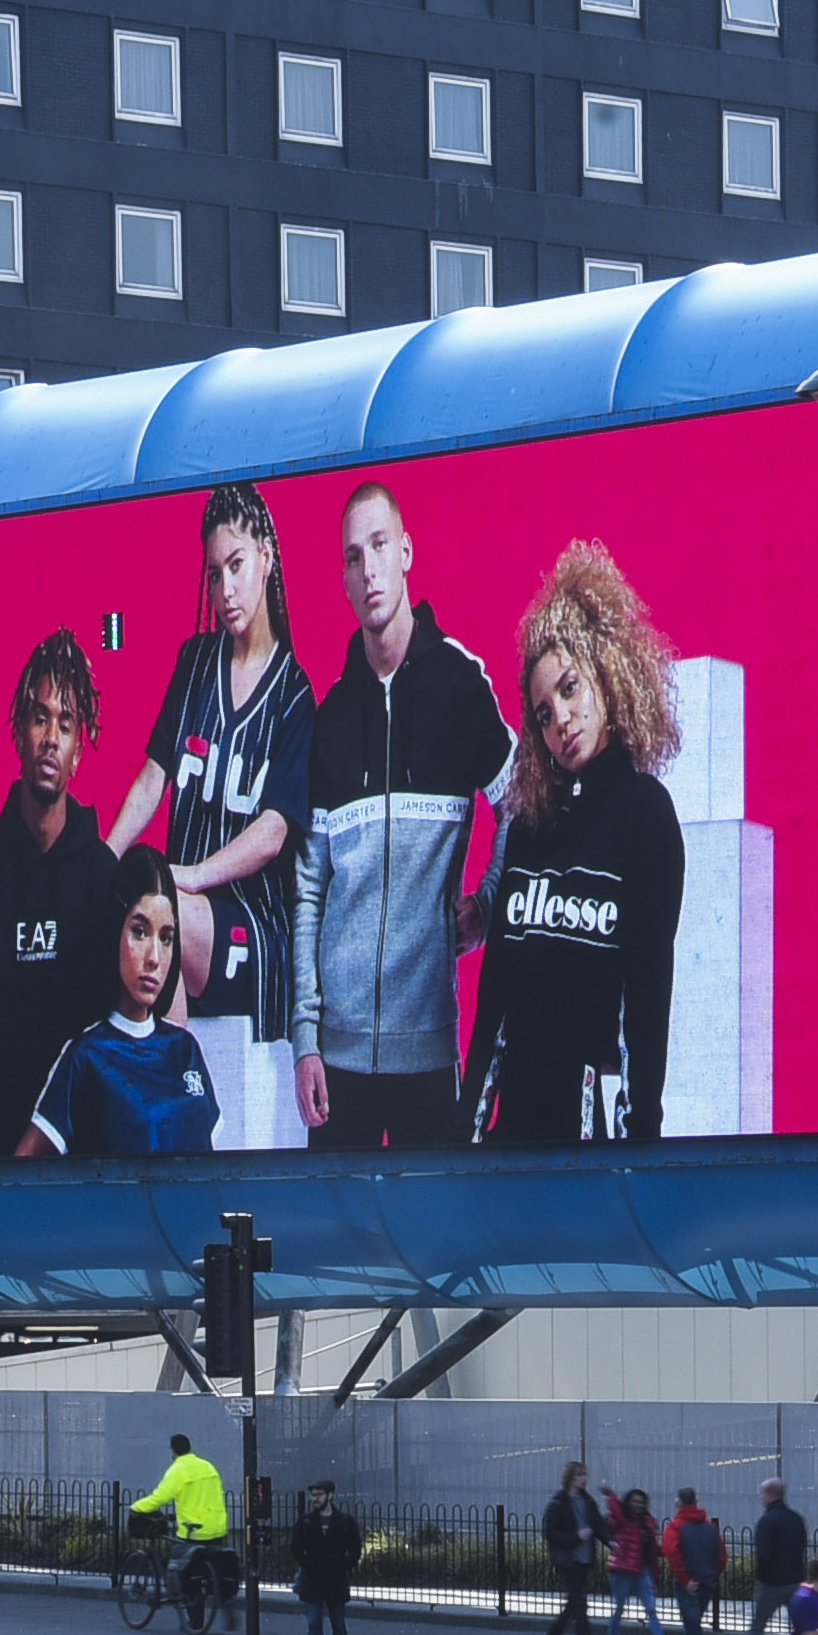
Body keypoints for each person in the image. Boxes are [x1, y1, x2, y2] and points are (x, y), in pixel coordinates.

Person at [290, 478, 510, 1151]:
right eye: (354, 557)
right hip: (337, 1060)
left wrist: (488, 904)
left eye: (380, 546)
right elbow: (309, 889)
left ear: (407, 552)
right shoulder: (331, 718)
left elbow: (522, 805)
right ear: (343, 581)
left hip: (429, 1054)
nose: (369, 569)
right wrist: (305, 1039)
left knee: (434, 1219)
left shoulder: (460, 686)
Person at [109, 481, 314, 1151]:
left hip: (255, 934)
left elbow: (275, 830)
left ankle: (179, 1121)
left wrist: (190, 876)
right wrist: (103, 859)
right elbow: (154, 776)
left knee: (163, 909)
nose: (226, 588)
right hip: (186, 913)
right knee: (129, 907)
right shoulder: (195, 662)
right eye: (214, 572)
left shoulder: (295, 696)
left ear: (267, 557)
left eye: (237, 565)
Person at [468, 542, 689, 1144]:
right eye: (542, 713)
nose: (560, 719)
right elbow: (494, 999)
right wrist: (464, 1136)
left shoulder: (646, 815)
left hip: (590, 1143)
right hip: (510, 1141)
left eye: (569, 689)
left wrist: (641, 1143)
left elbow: (647, 998)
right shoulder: (530, 823)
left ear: (607, 675)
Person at [0, 632, 121, 1163]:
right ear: (19, 732)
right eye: (41, 719)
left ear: (78, 753)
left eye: (66, 724)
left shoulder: (100, 874)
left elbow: (109, 1035)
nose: (51, 739)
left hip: (72, 1140)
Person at [23, 864, 223, 1161]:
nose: (154, 958)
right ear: (115, 931)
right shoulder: (87, 1056)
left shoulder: (186, 1049)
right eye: (140, 932)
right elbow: (20, 1170)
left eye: (166, 938)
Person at [136, 1428, 236, 1632]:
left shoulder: (178, 1470)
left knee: (188, 1573)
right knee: (214, 1565)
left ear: (173, 1451)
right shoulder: (207, 1466)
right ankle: (223, 1599)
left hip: (194, 1531)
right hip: (217, 1527)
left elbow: (159, 1497)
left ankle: (195, 1620)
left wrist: (137, 1508)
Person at [723, 1477, 811, 1635]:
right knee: (801, 1631)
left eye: (762, 1493)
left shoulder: (767, 1521)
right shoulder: (796, 1519)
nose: (760, 1497)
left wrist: (763, 1577)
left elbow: (763, 1555)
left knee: (756, 1629)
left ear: (769, 1495)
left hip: (772, 1583)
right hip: (795, 1580)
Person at [291, 1472, 365, 1635]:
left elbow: (355, 1547)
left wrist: (345, 1566)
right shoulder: (305, 1521)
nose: (315, 1499)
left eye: (319, 1495)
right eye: (313, 1495)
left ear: (330, 1496)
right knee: (313, 1624)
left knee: (338, 1626)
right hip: (312, 1580)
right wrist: (307, 1565)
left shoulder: (345, 1521)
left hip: (336, 1580)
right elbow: (295, 1547)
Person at [537, 1457, 605, 1635]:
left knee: (574, 1604)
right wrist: (576, 1537)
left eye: (585, 1474)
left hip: (584, 1558)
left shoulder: (588, 1502)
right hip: (568, 1560)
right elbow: (551, 1534)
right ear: (570, 1478)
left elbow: (599, 1525)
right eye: (579, 1475)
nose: (583, 1479)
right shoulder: (558, 1504)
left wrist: (612, 1541)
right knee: (580, 1605)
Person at [664, 1490, 725, 1635]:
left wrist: (685, 1579)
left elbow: (671, 1553)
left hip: (689, 1583)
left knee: (694, 1632)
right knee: (693, 1629)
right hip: (707, 1581)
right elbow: (721, 1555)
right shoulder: (710, 1528)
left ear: (679, 1502)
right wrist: (713, 1574)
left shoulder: (676, 1527)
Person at [604, 1481, 662, 1635]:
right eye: (635, 1501)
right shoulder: (623, 1521)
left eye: (641, 1502)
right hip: (623, 1568)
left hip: (641, 1568)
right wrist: (611, 1495)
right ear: (628, 1503)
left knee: (651, 1608)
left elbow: (652, 1547)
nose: (638, 1505)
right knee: (619, 1608)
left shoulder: (647, 1522)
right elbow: (616, 1512)